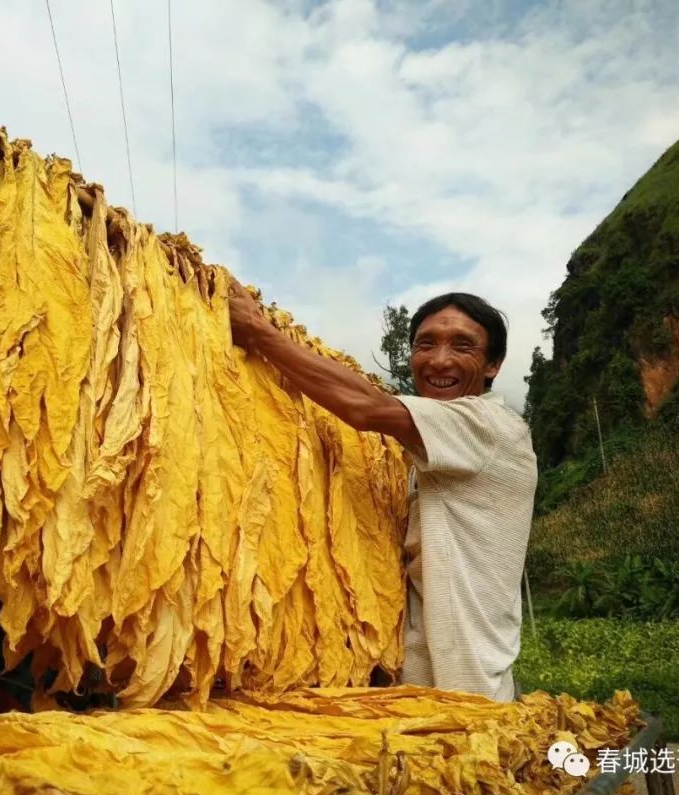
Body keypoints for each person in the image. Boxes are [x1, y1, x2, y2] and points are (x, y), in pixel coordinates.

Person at [226, 280, 537, 701]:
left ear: (492, 365)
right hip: (425, 688)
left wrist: (259, 333)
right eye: (425, 344)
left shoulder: (486, 426)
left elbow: (366, 407)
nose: (439, 361)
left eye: (462, 347)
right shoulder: (431, 453)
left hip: (465, 690)